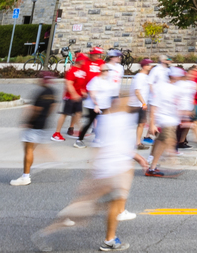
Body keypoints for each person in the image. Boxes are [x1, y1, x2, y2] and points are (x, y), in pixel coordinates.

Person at [32, 94, 140, 252]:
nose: (130, 103)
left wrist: (90, 174)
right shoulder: (124, 120)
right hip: (116, 169)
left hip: (105, 168)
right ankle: (51, 231)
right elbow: (117, 147)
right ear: (120, 103)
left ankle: (53, 230)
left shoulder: (105, 119)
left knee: (104, 205)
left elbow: (99, 147)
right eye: (127, 101)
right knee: (103, 206)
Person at [12, 71, 60, 186]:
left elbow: (35, 110)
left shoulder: (40, 93)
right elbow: (52, 107)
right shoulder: (52, 92)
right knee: (34, 148)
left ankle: (25, 176)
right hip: (44, 124)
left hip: (34, 124)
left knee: (28, 150)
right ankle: (50, 161)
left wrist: (28, 122)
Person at [145, 65, 190, 176]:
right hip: (164, 120)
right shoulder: (161, 88)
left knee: (161, 143)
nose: (181, 78)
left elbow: (177, 104)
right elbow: (153, 106)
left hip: (172, 120)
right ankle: (173, 165)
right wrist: (152, 124)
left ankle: (152, 167)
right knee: (169, 141)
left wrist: (184, 116)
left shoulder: (175, 88)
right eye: (179, 76)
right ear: (173, 76)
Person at [54, 52, 90, 141]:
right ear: (80, 60)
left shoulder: (82, 71)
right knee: (65, 114)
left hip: (78, 97)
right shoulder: (72, 70)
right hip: (69, 97)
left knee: (78, 114)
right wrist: (74, 94)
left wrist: (83, 92)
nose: (85, 61)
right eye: (84, 60)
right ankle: (56, 133)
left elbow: (81, 84)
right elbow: (69, 84)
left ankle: (81, 131)